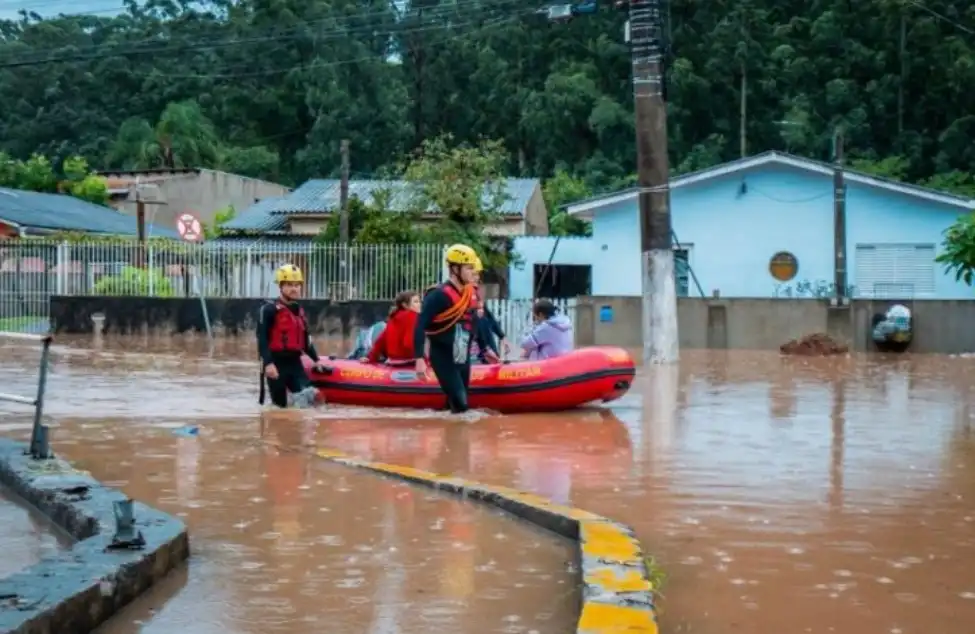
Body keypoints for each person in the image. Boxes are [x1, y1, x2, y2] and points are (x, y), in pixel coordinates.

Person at [414, 244, 488, 413]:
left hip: (463, 356)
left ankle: (447, 436)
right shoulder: (438, 295)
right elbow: (420, 325)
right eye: (469, 268)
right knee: (461, 405)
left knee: (454, 404)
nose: (473, 272)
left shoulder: (470, 293)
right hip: (443, 356)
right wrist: (419, 359)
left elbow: (475, 323)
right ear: (455, 269)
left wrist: (485, 349)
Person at [257, 264, 330, 408]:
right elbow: (262, 339)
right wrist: (268, 364)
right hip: (276, 362)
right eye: (290, 285)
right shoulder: (269, 310)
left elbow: (306, 340)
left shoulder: (298, 311)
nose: (294, 289)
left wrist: (316, 360)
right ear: (281, 286)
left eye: (297, 285)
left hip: (294, 362)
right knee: (280, 408)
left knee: (311, 397)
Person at [363, 290, 421, 365]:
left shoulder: (392, 318)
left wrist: (370, 358)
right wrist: (423, 358)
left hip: (392, 362)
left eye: (419, 301)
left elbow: (380, 341)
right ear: (405, 305)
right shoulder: (413, 316)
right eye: (416, 302)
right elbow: (409, 343)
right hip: (409, 362)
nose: (419, 304)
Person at [470, 256, 508, 363]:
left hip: (483, 345)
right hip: (472, 346)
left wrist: (502, 336)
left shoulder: (476, 295)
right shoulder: (461, 297)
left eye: (478, 274)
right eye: (474, 274)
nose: (476, 278)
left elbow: (488, 317)